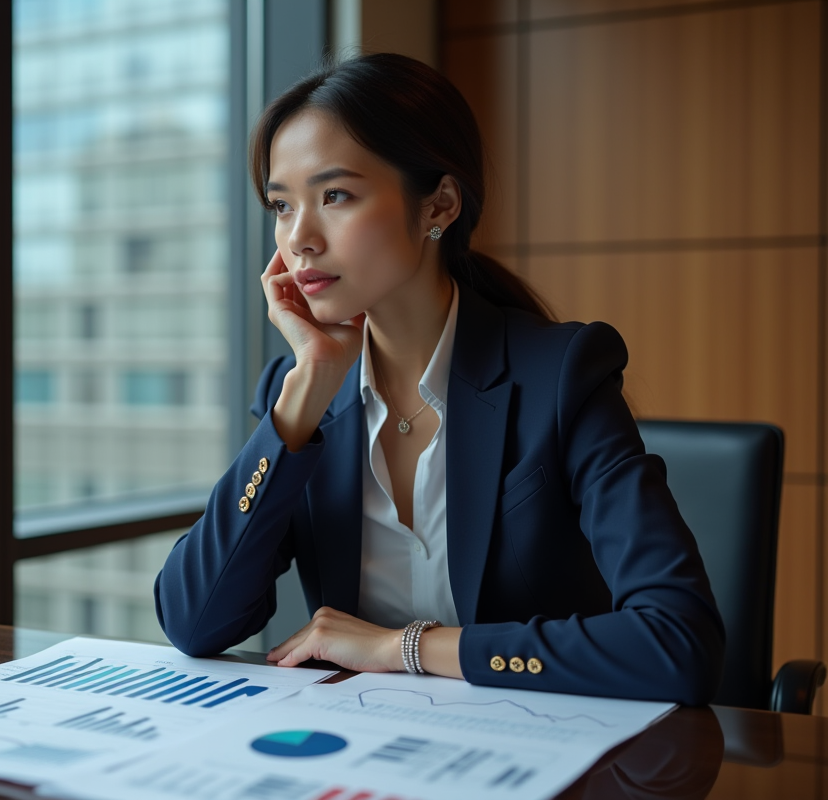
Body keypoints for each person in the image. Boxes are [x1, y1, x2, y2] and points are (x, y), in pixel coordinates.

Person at [154, 53, 724, 705]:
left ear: (440, 205)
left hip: (538, 750)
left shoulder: (562, 375)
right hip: (362, 750)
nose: (300, 239)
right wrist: (303, 394)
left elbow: (679, 645)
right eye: (282, 206)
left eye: (334, 195)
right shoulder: (299, 392)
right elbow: (194, 623)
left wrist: (404, 648)